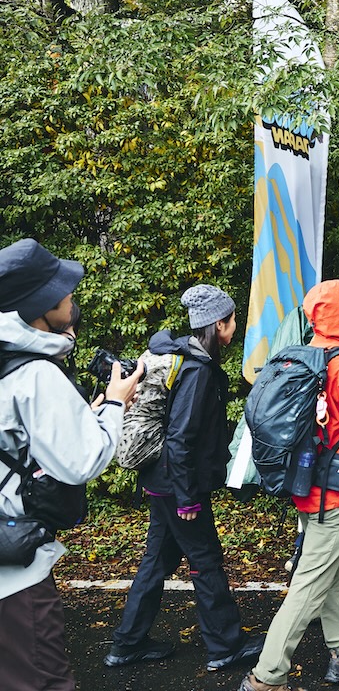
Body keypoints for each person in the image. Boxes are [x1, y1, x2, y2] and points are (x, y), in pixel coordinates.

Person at [239, 279, 339, 691]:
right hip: (335, 493)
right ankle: (267, 676)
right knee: (309, 583)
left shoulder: (303, 357)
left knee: (332, 567)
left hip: (303, 483)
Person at [0, 238, 142, 691]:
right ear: (40, 305)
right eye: (63, 290)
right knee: (44, 680)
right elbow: (82, 460)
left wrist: (89, 415)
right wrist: (115, 404)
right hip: (14, 579)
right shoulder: (35, 373)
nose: (71, 297)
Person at [105, 284, 265, 672]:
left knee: (156, 562)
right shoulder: (198, 371)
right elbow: (181, 438)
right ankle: (225, 645)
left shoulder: (186, 359)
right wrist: (188, 497)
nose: (235, 325)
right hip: (177, 485)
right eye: (232, 319)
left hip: (162, 480)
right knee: (206, 560)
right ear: (219, 324)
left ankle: (127, 644)